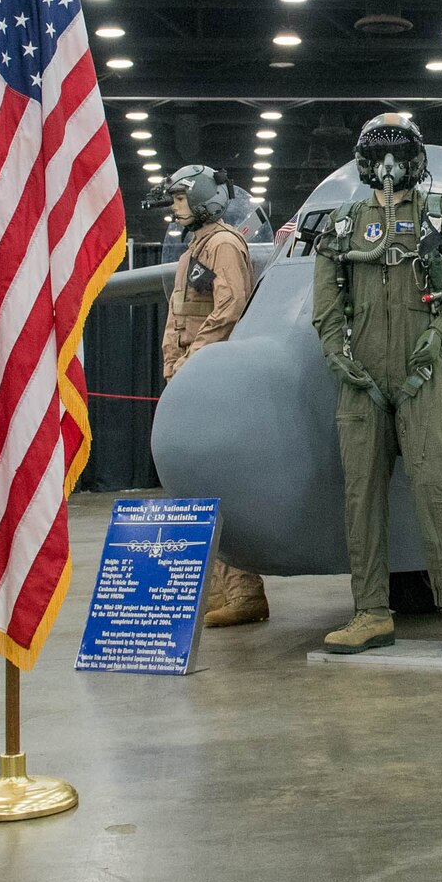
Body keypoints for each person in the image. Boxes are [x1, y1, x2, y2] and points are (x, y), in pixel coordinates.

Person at [311, 112, 442, 654]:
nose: (389, 165)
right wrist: (336, 354)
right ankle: (370, 613)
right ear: (365, 161)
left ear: (415, 159)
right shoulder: (342, 224)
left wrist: (440, 333)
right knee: (361, 498)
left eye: (399, 152)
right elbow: (327, 305)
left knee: (437, 490)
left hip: (424, 375)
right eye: (379, 152)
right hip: (361, 382)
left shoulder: (441, 216)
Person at [157, 163, 265, 626]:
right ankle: (227, 590)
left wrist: (195, 358)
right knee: (195, 487)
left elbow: (230, 306)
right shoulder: (192, 250)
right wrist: (174, 361)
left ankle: (245, 591)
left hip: (208, 377)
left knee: (216, 486)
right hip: (188, 375)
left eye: (181, 197)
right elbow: (179, 313)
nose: (175, 206)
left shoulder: (223, 244)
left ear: (204, 196)